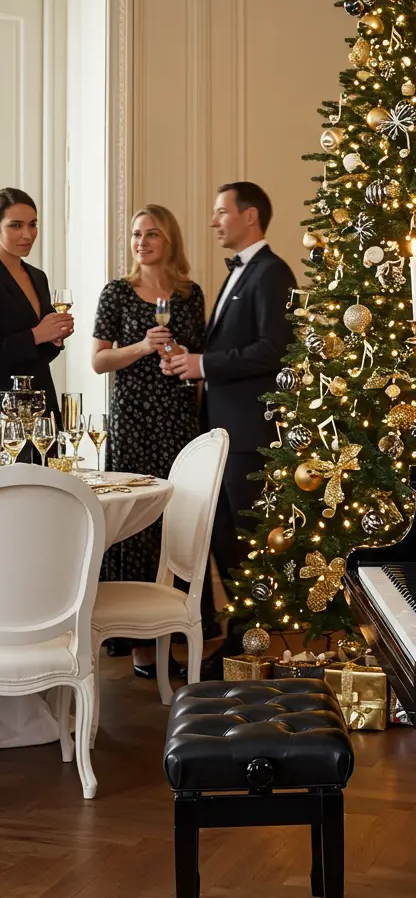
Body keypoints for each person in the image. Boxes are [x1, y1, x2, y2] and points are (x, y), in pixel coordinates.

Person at [167, 182, 294, 672]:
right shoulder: (244, 273)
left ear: (251, 216)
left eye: (221, 212)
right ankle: (238, 646)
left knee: (243, 542)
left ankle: (246, 650)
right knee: (225, 541)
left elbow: (275, 349)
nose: (214, 221)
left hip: (249, 436)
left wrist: (205, 365)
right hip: (225, 434)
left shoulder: (271, 272)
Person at [92, 205, 205, 678]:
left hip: (176, 417)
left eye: (151, 234)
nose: (142, 242)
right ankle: (136, 639)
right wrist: (142, 346)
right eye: (137, 234)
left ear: (169, 240)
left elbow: (197, 362)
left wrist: (176, 355)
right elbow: (99, 361)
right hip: (134, 418)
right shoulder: (117, 292)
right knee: (137, 516)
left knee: (176, 516)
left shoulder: (189, 294)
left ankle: (171, 626)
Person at [0, 187, 73, 421]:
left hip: (42, 404)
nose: (28, 235)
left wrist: (54, 337)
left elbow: (39, 355)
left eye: (33, 224)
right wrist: (36, 335)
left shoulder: (37, 276)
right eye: (16, 225)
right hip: (4, 409)